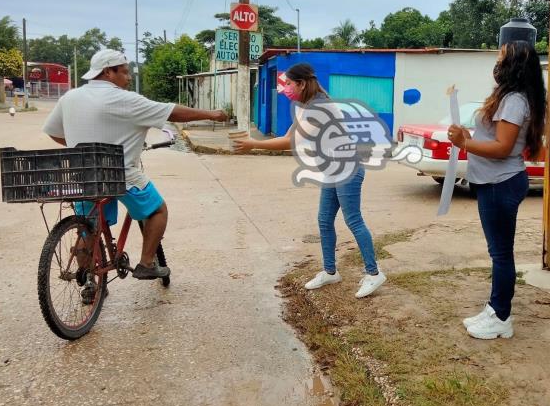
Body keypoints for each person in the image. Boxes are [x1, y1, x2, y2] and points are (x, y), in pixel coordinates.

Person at [43, 49, 228, 280]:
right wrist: (211, 114)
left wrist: (79, 146)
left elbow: (53, 132)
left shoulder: (69, 98)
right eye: (125, 71)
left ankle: (89, 280)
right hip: (121, 175)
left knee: (88, 225)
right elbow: (173, 112)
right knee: (158, 210)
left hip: (82, 175)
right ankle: (147, 264)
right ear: (108, 72)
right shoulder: (124, 99)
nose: (129, 77)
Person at [234, 62, 387, 298]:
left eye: (289, 85)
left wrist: (253, 144)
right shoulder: (306, 106)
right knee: (324, 220)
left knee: (353, 220)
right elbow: (288, 135)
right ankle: (330, 271)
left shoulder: (319, 107)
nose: (286, 90)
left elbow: (291, 143)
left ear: (302, 83)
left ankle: (374, 273)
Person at [447, 40, 546, 340]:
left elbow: (503, 148)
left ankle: (501, 316)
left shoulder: (515, 100)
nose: (496, 62)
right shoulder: (507, 97)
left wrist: (465, 144)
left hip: (501, 183)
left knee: (501, 253)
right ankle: (495, 308)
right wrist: (467, 136)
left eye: (501, 58)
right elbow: (492, 137)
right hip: (493, 182)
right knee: (498, 252)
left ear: (514, 65)